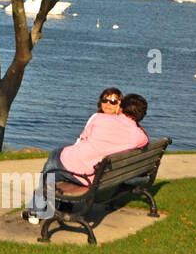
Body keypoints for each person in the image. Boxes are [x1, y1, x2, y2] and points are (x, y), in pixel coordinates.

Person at [25, 93, 149, 223]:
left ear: (121, 108)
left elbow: (83, 138)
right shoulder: (140, 137)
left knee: (53, 162)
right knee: (59, 168)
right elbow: (143, 136)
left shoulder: (100, 118)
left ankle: (37, 211)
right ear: (141, 115)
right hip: (93, 177)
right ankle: (61, 206)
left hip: (70, 165)